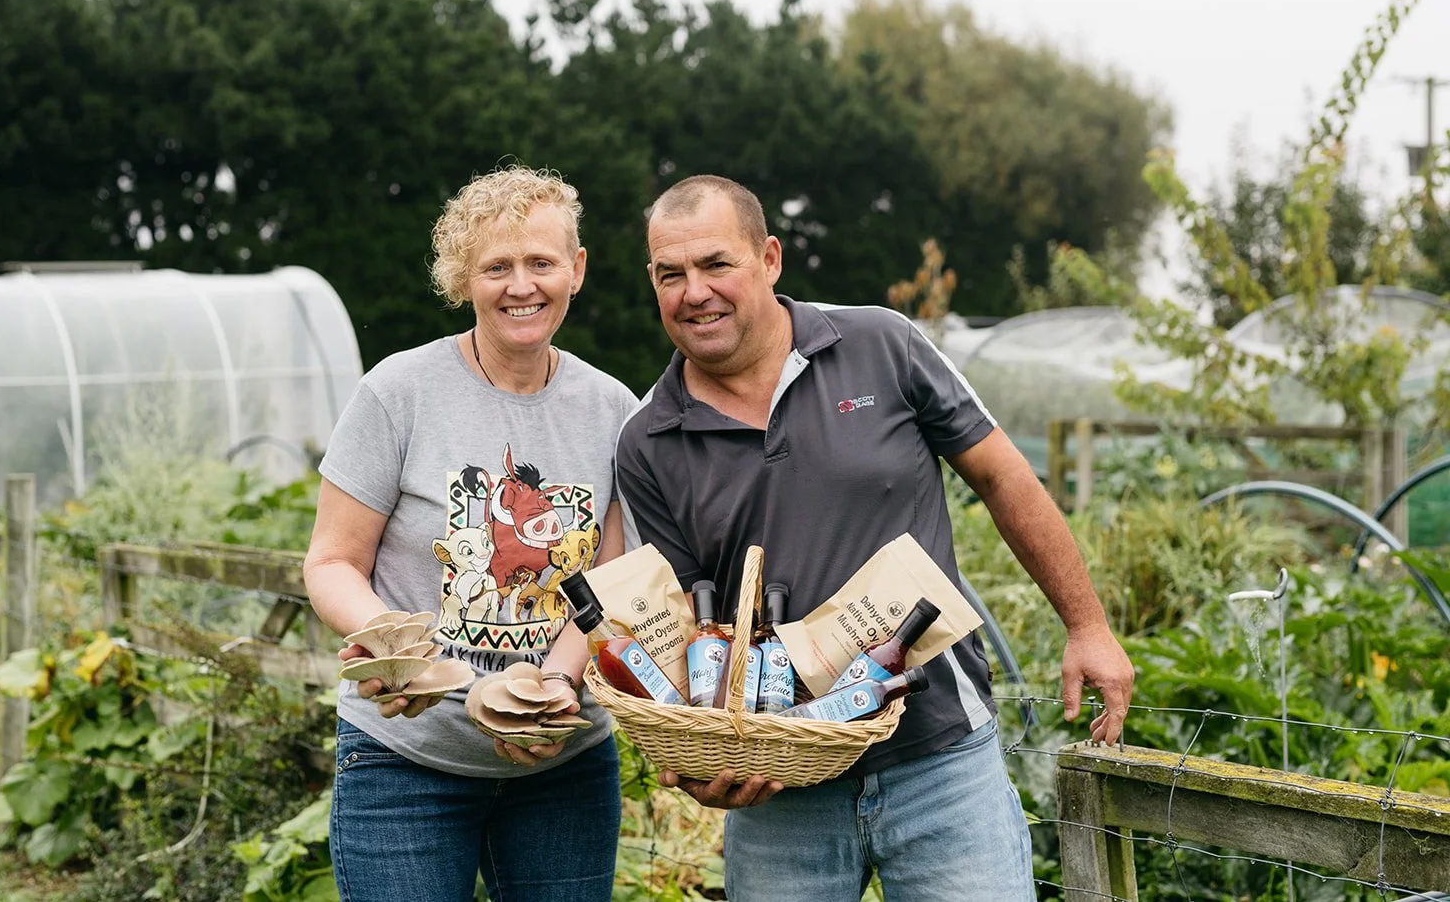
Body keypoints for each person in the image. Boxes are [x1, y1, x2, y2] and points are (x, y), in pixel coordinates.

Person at [614, 174, 1135, 901]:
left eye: (715, 264)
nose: (694, 292)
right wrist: (700, 761)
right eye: (670, 274)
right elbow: (678, 633)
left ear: (769, 258)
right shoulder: (648, 439)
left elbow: (1004, 477)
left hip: (940, 758)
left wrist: (1087, 624)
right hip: (781, 791)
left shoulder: (880, 345)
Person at [303, 166, 638, 902]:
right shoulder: (398, 393)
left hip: (563, 764)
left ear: (576, 269)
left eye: (541, 262)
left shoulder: (615, 410)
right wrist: (399, 651)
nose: (522, 286)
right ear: (463, 279)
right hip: (406, 758)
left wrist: (556, 688)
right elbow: (331, 562)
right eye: (496, 267)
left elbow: (611, 585)